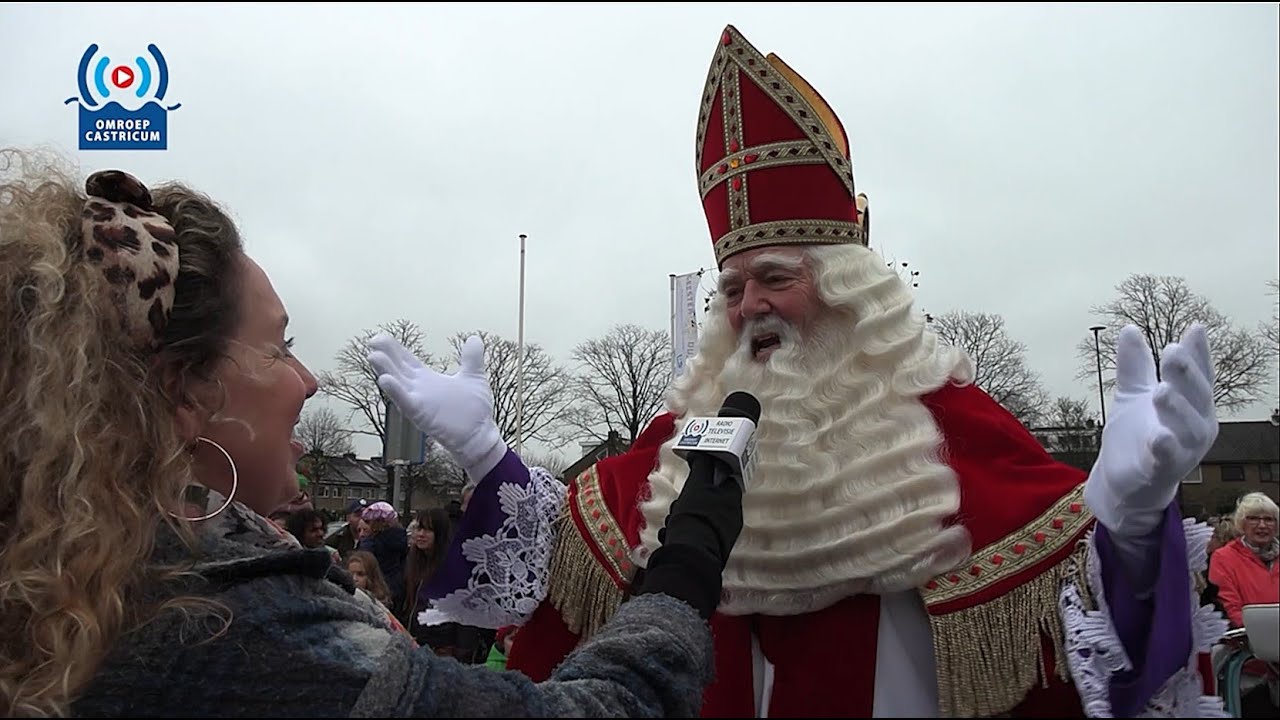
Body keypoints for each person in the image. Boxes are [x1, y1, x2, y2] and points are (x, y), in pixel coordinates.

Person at [369, 24, 1228, 718]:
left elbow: (1084, 623)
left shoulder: (951, 422)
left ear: (852, 291)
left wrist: (1130, 521)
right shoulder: (686, 435)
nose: (749, 305)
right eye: (732, 288)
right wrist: (486, 454)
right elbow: (569, 558)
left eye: (776, 278)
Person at [0, 149, 742, 717]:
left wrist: (488, 456)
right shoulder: (231, 626)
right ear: (183, 388)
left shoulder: (82, 565)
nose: (309, 379)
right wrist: (686, 564)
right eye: (278, 346)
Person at [1209, 492, 1279, 629]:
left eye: (1269, 519)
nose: (1262, 525)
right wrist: (1260, 631)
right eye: (1253, 519)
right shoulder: (1224, 558)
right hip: (1247, 636)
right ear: (1241, 523)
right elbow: (1228, 605)